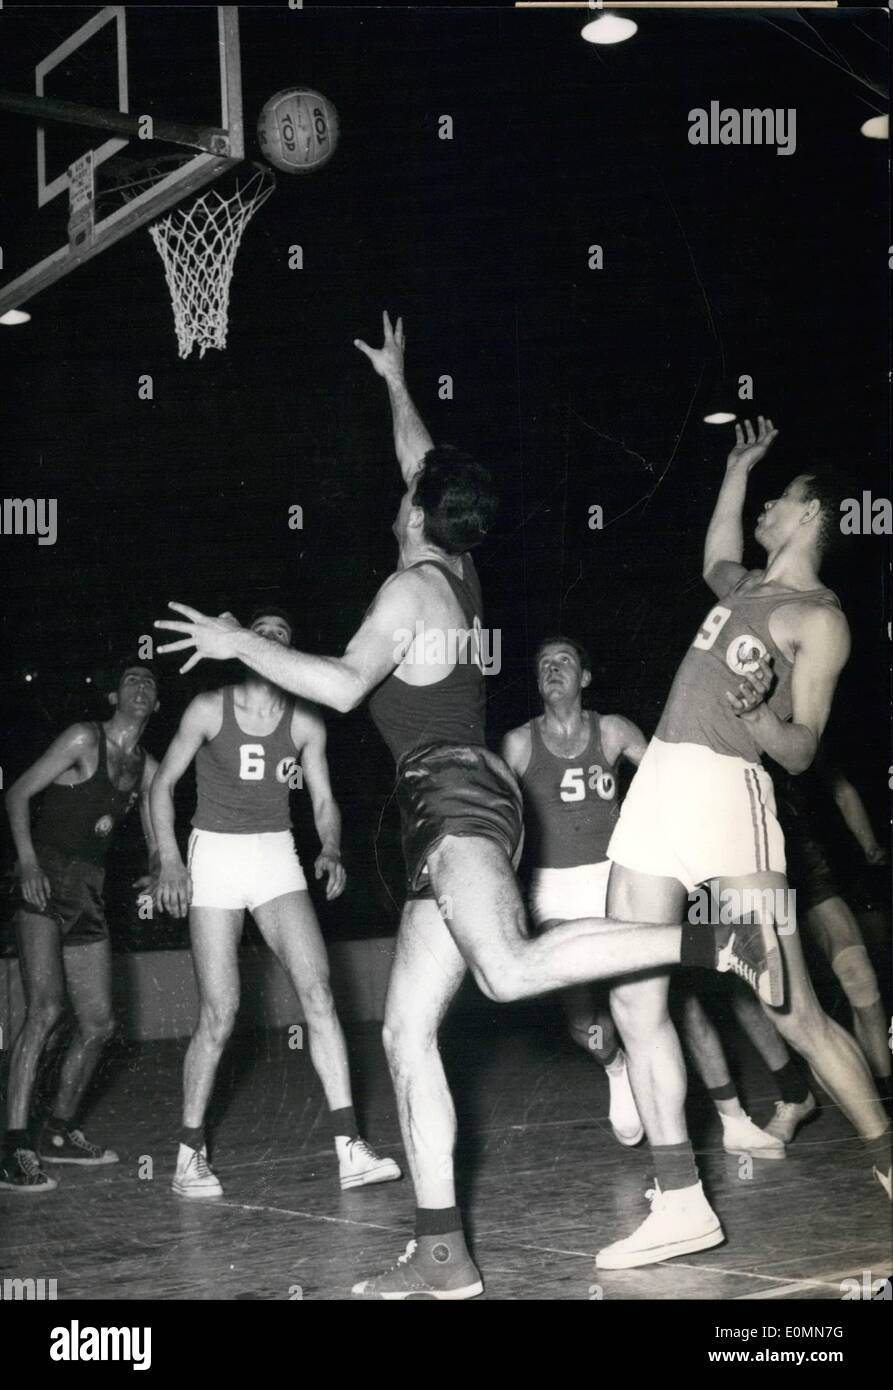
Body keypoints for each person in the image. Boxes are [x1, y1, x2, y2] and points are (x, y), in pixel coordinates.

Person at [154, 315, 782, 1297]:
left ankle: (719, 944)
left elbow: (340, 685)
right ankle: (442, 1252)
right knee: (406, 1035)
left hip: (453, 797)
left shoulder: (412, 589)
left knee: (508, 967)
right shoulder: (458, 562)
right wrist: (396, 378)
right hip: (437, 809)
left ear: (415, 513)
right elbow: (423, 459)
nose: (403, 486)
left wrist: (240, 643)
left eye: (411, 489)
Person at [598, 418, 891, 1270]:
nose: (765, 505)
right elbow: (709, 558)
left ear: (809, 518)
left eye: (778, 498)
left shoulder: (817, 620)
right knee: (631, 993)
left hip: (731, 800)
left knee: (789, 1008)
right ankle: (681, 1203)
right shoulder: (742, 588)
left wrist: (760, 710)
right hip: (659, 784)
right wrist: (736, 467)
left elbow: (800, 748)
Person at [149, 608, 401, 1198]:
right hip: (214, 852)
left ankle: (348, 1149)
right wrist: (168, 859)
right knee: (221, 1011)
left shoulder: (307, 720)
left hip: (275, 856)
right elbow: (161, 784)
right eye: (259, 632)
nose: (269, 639)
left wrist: (332, 849)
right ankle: (188, 1155)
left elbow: (322, 802)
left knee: (318, 990)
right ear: (239, 645)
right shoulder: (209, 708)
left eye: (281, 633)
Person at [0, 658, 160, 1193]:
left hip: (89, 891)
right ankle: (13, 1145)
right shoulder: (81, 739)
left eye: (150, 683)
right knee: (45, 1009)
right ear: (114, 697)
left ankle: (59, 1133)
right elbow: (17, 793)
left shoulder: (148, 768)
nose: (140, 686)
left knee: (99, 1022)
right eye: (131, 680)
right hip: (44, 878)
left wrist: (161, 869)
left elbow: (158, 834)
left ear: (155, 706)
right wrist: (25, 864)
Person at [500, 635, 645, 1147]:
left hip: (613, 877)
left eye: (564, 661)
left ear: (584, 677)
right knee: (583, 1019)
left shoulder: (614, 730)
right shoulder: (518, 744)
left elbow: (663, 785)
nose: (553, 669)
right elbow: (498, 821)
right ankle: (615, 1067)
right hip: (553, 890)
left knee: (645, 999)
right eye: (543, 664)